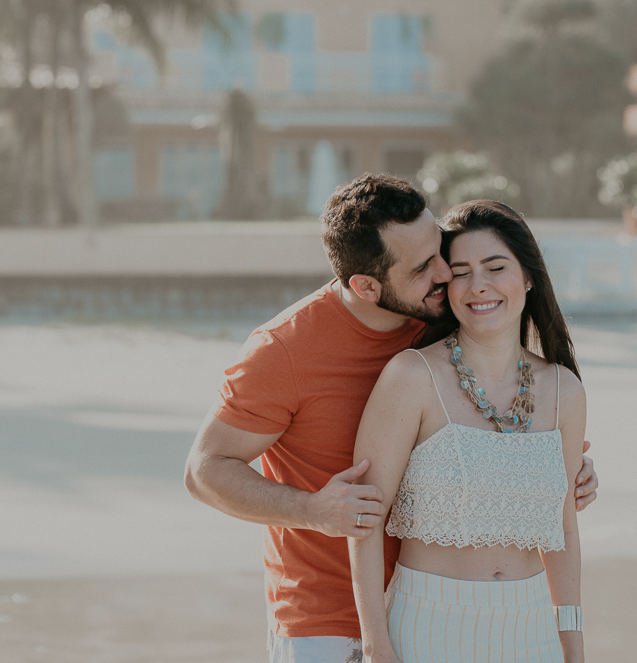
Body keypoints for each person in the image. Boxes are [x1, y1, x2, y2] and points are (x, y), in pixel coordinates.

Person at [184, 177, 598, 663]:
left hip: (456, 610)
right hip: (327, 622)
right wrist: (313, 509)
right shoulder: (284, 351)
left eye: (439, 249)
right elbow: (204, 471)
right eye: (426, 266)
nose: (448, 274)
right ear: (366, 286)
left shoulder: (440, 313)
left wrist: (549, 474)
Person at [349, 199, 586, 663]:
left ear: (529, 276)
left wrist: (574, 649)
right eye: (460, 272)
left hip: (531, 629)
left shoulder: (565, 390)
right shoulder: (411, 377)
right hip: (427, 626)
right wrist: (378, 645)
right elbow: (364, 520)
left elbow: (564, 530)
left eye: (495, 267)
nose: (479, 286)